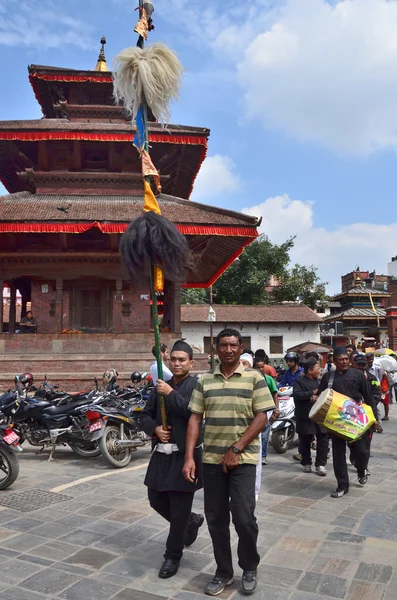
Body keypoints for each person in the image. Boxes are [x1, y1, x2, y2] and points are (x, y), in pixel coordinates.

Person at [183, 329, 275, 597]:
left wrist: (236, 447)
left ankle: (249, 566)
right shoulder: (205, 380)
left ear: (241, 347)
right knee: (216, 519)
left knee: (244, 517)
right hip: (211, 459)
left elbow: (262, 417)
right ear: (215, 348)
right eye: (223, 345)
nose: (228, 350)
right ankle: (224, 571)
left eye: (233, 345)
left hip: (243, 459)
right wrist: (189, 457)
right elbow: (195, 419)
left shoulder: (254, 378)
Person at [140, 340, 203, 579]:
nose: (177, 363)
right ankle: (191, 521)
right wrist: (155, 429)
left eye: (182, 360)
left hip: (186, 455)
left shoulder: (197, 386)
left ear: (191, 363)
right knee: (155, 499)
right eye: (173, 359)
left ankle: (172, 555)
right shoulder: (159, 387)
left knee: (178, 509)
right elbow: (144, 416)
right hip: (161, 455)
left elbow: (194, 413)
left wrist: (171, 394)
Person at [316, 346, 374, 498]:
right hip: (336, 421)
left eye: (346, 359)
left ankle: (361, 468)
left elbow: (368, 396)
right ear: (334, 361)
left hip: (356, 420)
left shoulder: (358, 375)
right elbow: (321, 396)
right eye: (341, 360)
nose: (344, 362)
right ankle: (342, 485)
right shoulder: (328, 377)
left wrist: (374, 419)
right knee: (338, 454)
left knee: (362, 451)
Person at [293, 357, 328, 476]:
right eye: (318, 368)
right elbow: (297, 395)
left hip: (319, 415)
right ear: (310, 370)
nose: (320, 370)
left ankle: (320, 464)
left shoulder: (320, 381)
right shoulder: (299, 381)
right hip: (305, 416)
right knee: (304, 441)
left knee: (323, 439)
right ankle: (306, 463)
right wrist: (310, 395)